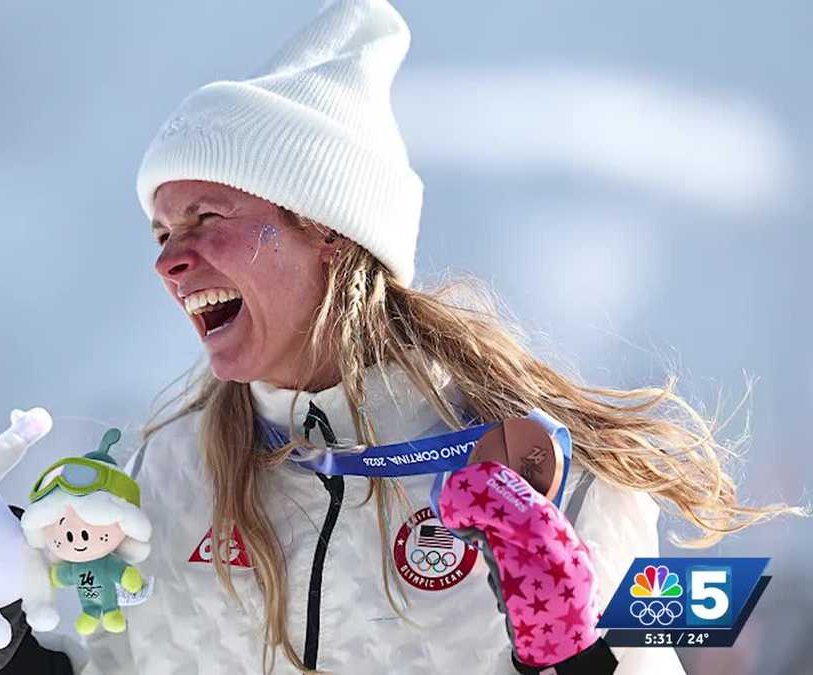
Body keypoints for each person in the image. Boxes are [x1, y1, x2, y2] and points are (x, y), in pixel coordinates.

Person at [86, 1, 797, 673]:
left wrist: (570, 655)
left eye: (209, 215)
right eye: (163, 231)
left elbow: (669, 639)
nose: (168, 261)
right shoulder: (169, 468)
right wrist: (0, 636)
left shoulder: (549, 468)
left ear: (329, 228)